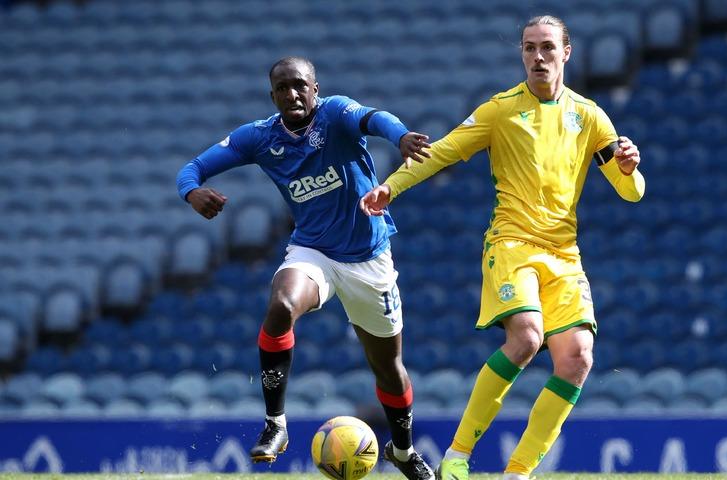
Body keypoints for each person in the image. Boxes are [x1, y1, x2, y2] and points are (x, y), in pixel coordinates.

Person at [360, 16, 645, 480]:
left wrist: (630, 168)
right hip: (511, 244)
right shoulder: (500, 110)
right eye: (530, 48)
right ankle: (457, 455)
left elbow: (631, 192)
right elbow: (445, 150)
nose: (538, 57)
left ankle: (518, 473)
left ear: (565, 53)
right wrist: (391, 187)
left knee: (577, 359)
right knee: (528, 338)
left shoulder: (590, 116)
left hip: (564, 254)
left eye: (548, 48)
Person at [176, 56, 435, 480]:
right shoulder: (259, 138)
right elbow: (192, 169)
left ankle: (403, 451)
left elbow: (374, 118)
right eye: (282, 88)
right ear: (272, 95)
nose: (292, 94)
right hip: (313, 253)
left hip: (370, 260)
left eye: (300, 85)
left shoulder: (334, 114)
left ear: (315, 88)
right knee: (280, 305)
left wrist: (401, 135)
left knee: (388, 367)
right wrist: (192, 193)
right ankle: (276, 424)